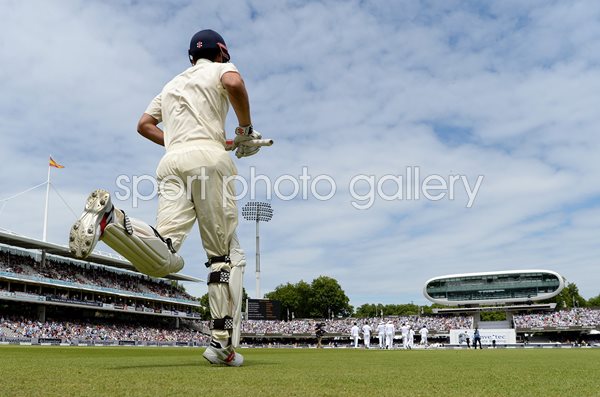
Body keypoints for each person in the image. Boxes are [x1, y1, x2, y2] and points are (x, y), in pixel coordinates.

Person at [69, 29, 262, 367]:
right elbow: (235, 85)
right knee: (222, 257)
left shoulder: (172, 86)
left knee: (166, 253)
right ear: (221, 52)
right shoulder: (220, 70)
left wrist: (187, 143)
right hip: (208, 162)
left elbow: (144, 124)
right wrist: (244, 133)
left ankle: (112, 221)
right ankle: (221, 345)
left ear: (191, 57)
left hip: (172, 162)